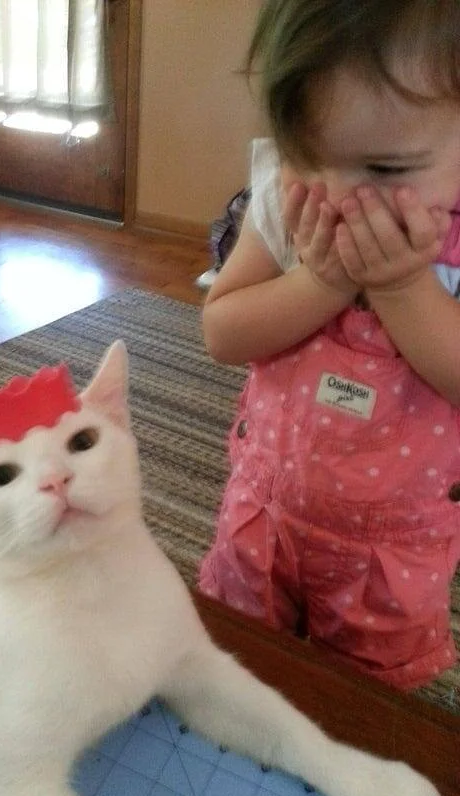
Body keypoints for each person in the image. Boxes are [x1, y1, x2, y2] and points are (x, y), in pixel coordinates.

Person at [199, 0, 460, 690]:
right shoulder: (289, 204)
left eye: (386, 168)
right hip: (266, 511)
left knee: (360, 705)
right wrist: (321, 281)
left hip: (392, 548)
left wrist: (401, 286)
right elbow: (223, 331)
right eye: (307, 156)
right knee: (236, 665)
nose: (339, 197)